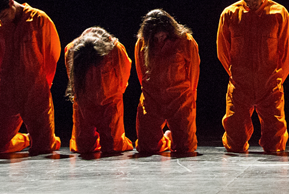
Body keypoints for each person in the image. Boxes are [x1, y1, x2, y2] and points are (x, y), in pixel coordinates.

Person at [217, 0, 289, 153]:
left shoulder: (279, 13)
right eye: (246, 0)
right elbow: (222, 51)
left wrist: (277, 79)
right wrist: (235, 75)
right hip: (240, 85)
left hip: (269, 85)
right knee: (234, 142)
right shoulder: (229, 14)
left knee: (275, 144)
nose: (251, 4)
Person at [0, 0, 62, 155]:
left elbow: (51, 54)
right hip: (8, 90)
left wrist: (42, 85)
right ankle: (27, 139)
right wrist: (5, 83)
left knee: (43, 148)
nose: (2, 21)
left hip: (35, 89)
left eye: (3, 15)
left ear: (11, 3)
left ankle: (48, 139)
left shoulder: (38, 19)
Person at [135, 9, 200, 155]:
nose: (159, 39)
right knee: (146, 147)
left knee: (185, 147)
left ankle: (172, 136)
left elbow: (194, 71)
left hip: (179, 98)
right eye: (156, 37)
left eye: (162, 36)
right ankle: (166, 139)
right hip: (152, 98)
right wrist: (148, 92)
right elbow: (141, 71)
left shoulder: (185, 41)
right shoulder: (142, 42)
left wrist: (190, 96)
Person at [65, 27, 134, 154]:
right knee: (83, 148)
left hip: (109, 103)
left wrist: (114, 94)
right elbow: (72, 77)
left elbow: (124, 73)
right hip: (84, 104)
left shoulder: (115, 49)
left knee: (113, 146)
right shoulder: (72, 50)